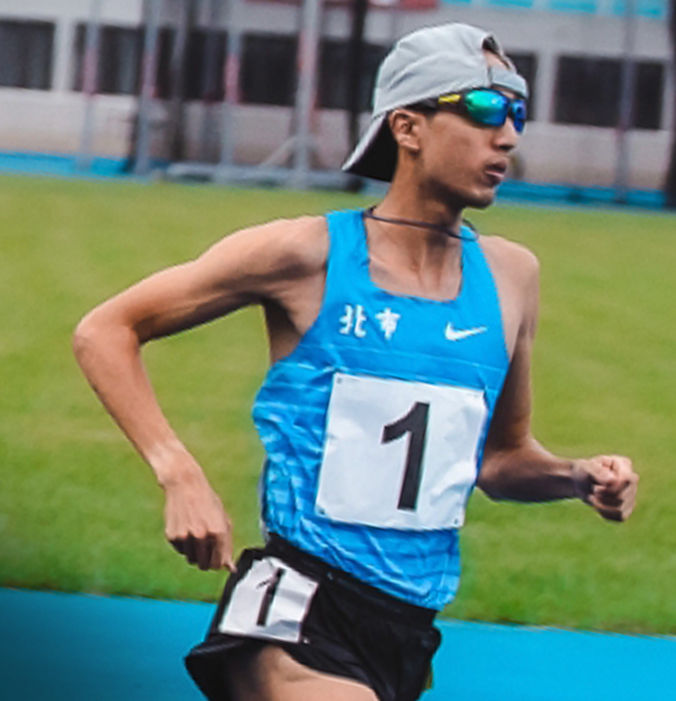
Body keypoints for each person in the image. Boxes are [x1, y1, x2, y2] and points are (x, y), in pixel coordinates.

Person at [72, 23, 637, 701]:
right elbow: (106, 330)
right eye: (485, 109)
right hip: (298, 610)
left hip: (408, 631)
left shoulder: (512, 276)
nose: (509, 135)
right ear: (408, 127)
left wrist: (575, 476)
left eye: (517, 112)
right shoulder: (305, 255)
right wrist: (179, 472)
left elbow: (500, 459)